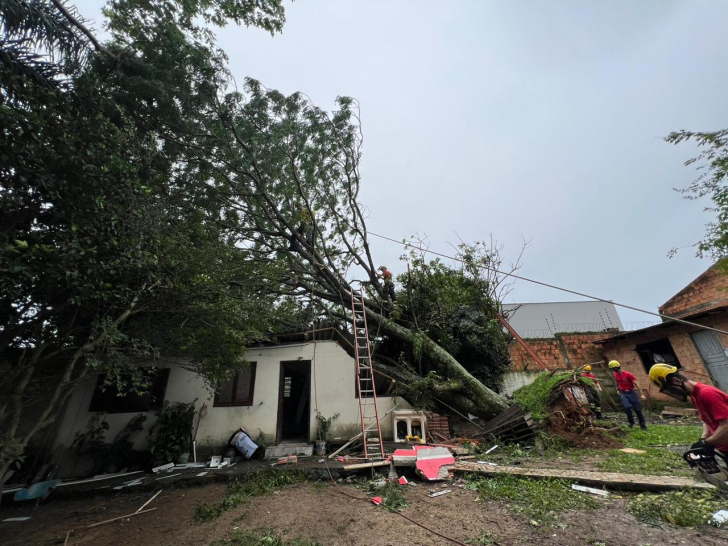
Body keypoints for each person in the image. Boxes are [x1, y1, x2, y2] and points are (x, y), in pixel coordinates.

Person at [648, 363, 728, 456]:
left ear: (676, 381)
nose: (672, 393)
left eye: (670, 389)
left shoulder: (707, 393)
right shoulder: (695, 395)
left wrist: (708, 442)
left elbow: (726, 425)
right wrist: (703, 439)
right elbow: (708, 420)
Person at [609, 360, 647, 430]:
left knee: (638, 410)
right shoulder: (615, 375)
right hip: (623, 393)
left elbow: (637, 383)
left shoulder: (627, 374)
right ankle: (631, 423)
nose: (613, 370)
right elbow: (616, 382)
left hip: (631, 393)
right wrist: (617, 389)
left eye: (614, 368)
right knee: (627, 407)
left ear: (618, 367)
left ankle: (643, 426)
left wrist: (642, 394)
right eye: (612, 369)